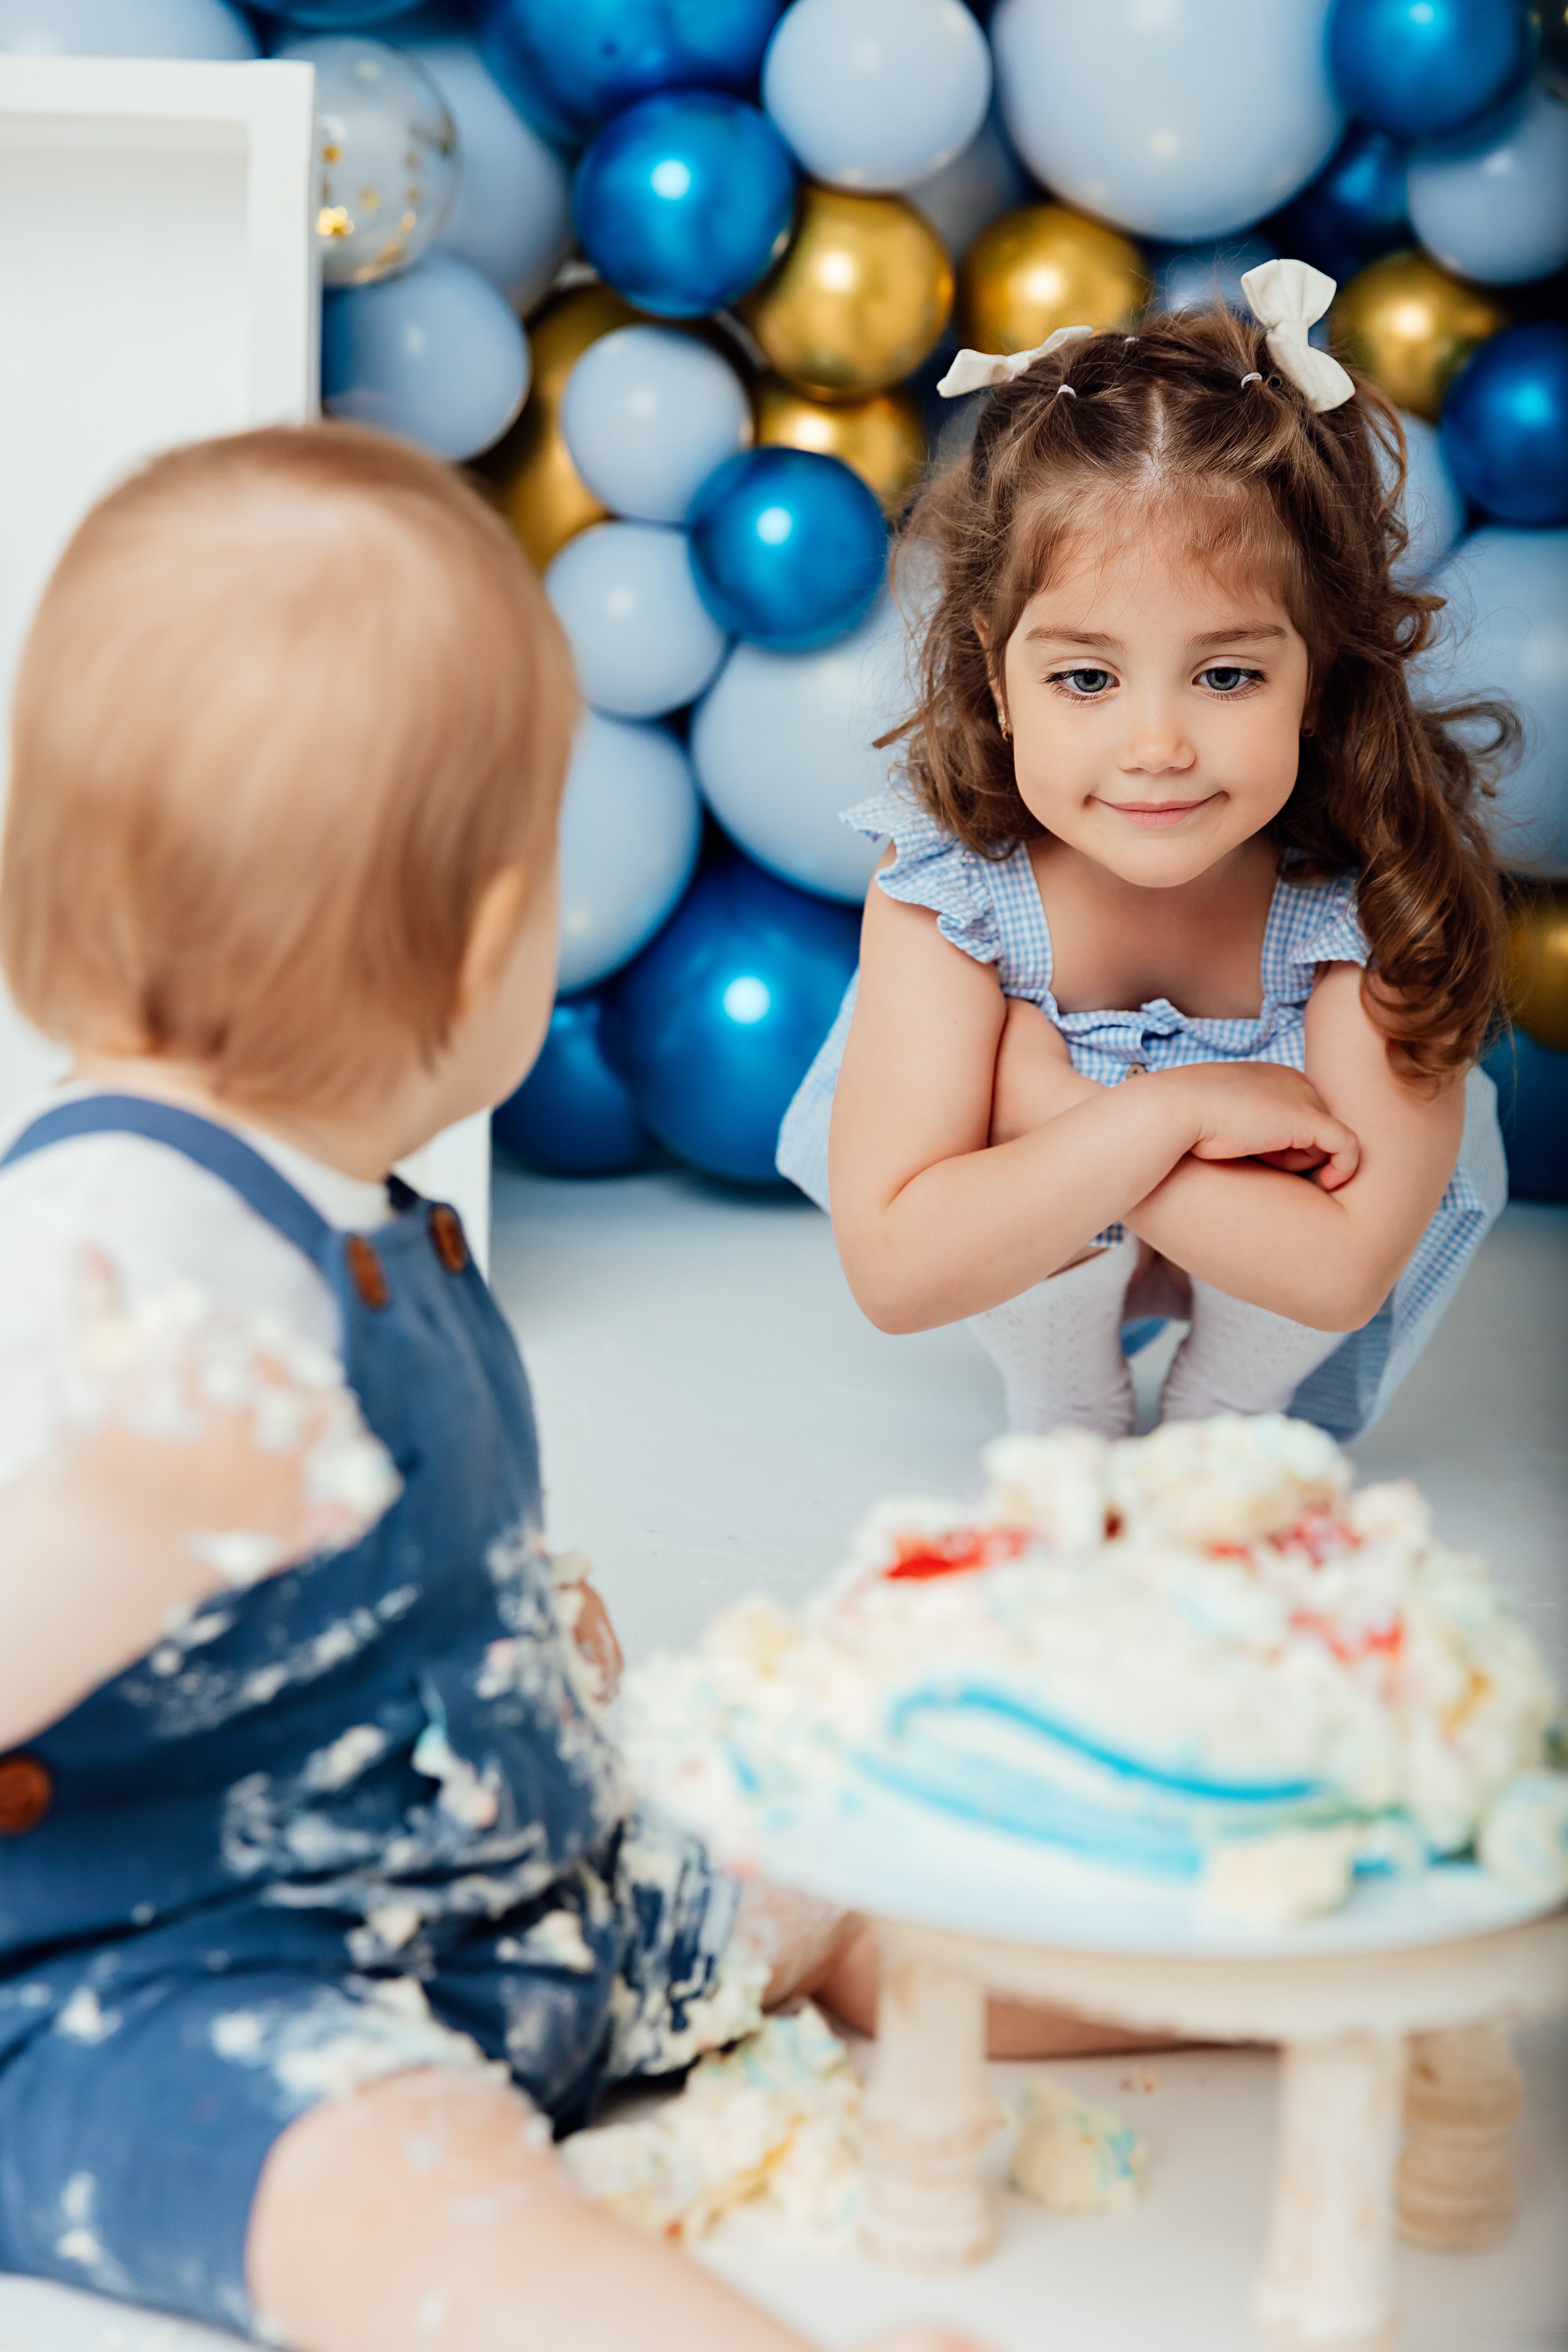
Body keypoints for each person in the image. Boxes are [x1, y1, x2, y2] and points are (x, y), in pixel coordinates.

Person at [0, 424, 1018, 2352]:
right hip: (164, 1993)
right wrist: (92, 1530)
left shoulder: (333, 1187)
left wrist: (503, 1632)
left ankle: (1223, 1952)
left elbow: (358, 1551)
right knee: (406, 2203)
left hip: (488, 1882)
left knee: (832, 1842)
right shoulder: (109, 1242)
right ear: (491, 939)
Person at [778, 261, 1513, 1444]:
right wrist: (1169, 1115)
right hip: (1043, 1254)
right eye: (1086, 677)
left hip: (1263, 1280)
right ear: (999, 677)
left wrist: (1059, 1101)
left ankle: (1227, 1415)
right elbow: (898, 1271)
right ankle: (1066, 1402)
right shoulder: (950, 890)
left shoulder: (1362, 893)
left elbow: (1336, 1273)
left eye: (1227, 675)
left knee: (1052, 1145)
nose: (1158, 746)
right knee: (1002, 1178)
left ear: (1317, 676)